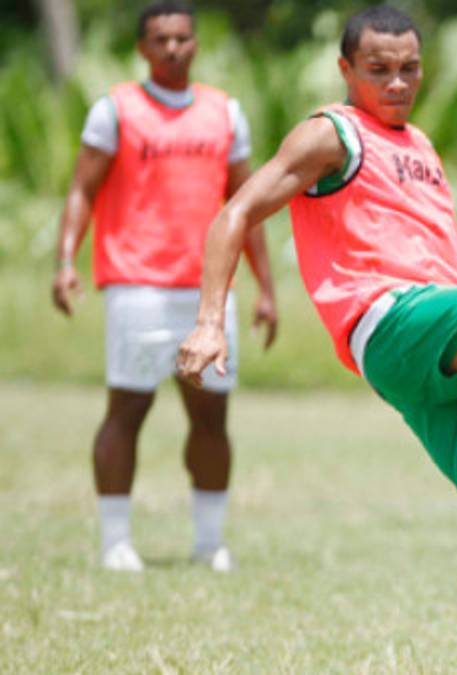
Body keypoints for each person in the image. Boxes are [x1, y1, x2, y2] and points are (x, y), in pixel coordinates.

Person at [176, 6, 457, 672]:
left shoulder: (417, 144)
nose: (395, 83)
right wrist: (211, 317)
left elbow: (450, 249)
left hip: (439, 332)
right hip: (386, 319)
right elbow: (237, 211)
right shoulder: (331, 133)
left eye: (409, 69)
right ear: (346, 70)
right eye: (378, 70)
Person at [51, 0, 278, 573]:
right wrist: (65, 260)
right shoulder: (116, 111)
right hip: (138, 285)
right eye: (160, 39)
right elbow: (82, 189)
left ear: (195, 43)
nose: (172, 47)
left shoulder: (225, 113)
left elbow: (245, 208)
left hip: (208, 291)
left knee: (211, 420)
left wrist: (266, 288)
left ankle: (208, 543)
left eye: (181, 37)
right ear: (143, 48)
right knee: (127, 409)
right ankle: (115, 543)